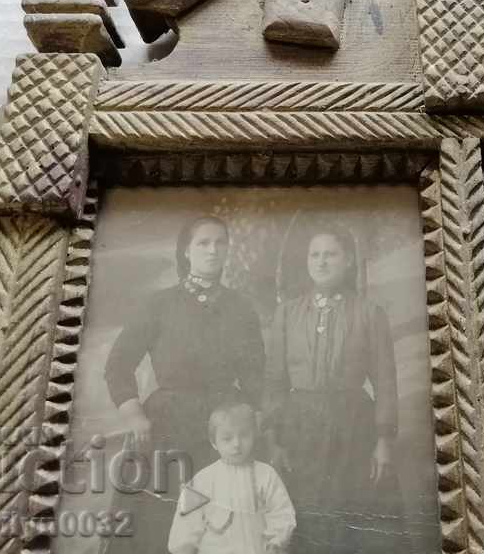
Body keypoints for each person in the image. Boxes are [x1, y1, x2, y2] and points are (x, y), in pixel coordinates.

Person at [104, 215, 266, 554]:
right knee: (160, 524)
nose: (213, 251)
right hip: (167, 426)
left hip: (222, 428)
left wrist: (253, 417)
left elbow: (255, 377)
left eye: (220, 243)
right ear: (186, 252)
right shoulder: (159, 303)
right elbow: (118, 365)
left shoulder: (242, 308)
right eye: (203, 243)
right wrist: (134, 415)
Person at [263, 223, 405, 553]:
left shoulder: (370, 313)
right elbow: (275, 381)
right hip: (301, 429)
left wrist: (383, 442)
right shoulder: (287, 313)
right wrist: (275, 439)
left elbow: (385, 381)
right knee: (306, 517)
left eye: (330, 254)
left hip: (353, 426)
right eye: (315, 255)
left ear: (349, 261)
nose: (321, 262)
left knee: (353, 518)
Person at [168, 400, 295, 554]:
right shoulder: (201, 481)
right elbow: (185, 526)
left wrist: (276, 543)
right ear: (214, 442)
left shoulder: (266, 474)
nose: (237, 444)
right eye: (227, 438)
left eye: (244, 435)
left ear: (254, 435)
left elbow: (281, 513)